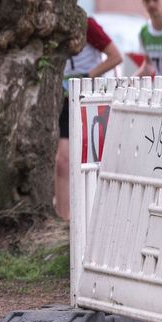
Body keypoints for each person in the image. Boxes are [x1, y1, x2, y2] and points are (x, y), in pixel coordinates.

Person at [54, 17, 121, 220]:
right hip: (64, 100)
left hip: (90, 99)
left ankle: (98, 214)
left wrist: (86, 77)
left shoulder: (86, 24)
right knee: (62, 160)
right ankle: (64, 218)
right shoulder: (48, 24)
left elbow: (115, 56)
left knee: (94, 159)